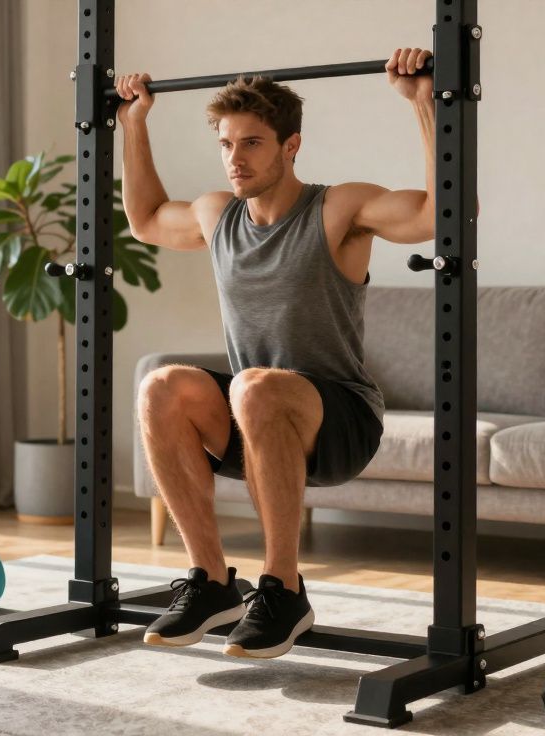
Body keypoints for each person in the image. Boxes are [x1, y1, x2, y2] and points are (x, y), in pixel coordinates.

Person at [122, 48, 444, 659]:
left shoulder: (337, 209)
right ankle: (211, 582)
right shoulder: (218, 215)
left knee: (255, 385)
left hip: (340, 421)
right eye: (226, 144)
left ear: (290, 146)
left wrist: (426, 103)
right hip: (254, 420)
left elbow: (441, 213)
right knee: (161, 385)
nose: (235, 158)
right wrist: (133, 123)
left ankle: (283, 588)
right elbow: (144, 221)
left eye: (252, 143)